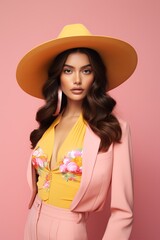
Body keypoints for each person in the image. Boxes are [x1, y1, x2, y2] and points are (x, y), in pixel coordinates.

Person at [16, 23, 138, 240]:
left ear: (95, 76)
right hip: (32, 222)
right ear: (58, 76)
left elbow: (123, 212)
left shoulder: (113, 129)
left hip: (68, 229)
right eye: (68, 70)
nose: (77, 80)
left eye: (86, 70)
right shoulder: (49, 122)